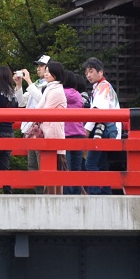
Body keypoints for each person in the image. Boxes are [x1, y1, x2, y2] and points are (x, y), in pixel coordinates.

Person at [47, 61, 88, 194]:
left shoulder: (58, 93)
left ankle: (67, 196)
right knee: (76, 169)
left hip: (66, 134)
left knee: (65, 168)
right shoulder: (78, 96)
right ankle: (75, 195)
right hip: (79, 134)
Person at [82, 58, 123, 194]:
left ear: (101, 72)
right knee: (102, 164)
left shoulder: (103, 87)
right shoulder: (102, 86)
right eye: (86, 72)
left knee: (90, 164)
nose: (88, 75)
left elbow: (98, 111)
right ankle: (106, 193)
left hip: (103, 130)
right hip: (107, 129)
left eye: (91, 71)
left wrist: (86, 130)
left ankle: (95, 195)